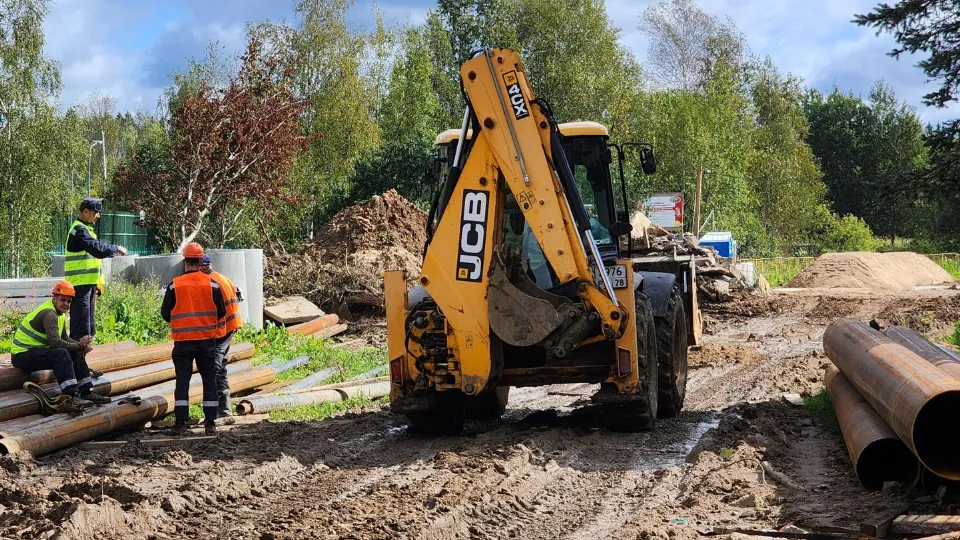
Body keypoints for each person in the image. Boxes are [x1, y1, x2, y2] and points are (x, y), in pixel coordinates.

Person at [10, 281, 112, 406]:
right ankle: (71, 396)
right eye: (63, 300)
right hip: (21, 355)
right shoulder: (49, 314)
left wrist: (80, 346)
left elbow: (64, 338)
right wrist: (79, 345)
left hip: (34, 351)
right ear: (54, 298)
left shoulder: (59, 314)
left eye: (69, 301)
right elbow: (56, 343)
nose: (66, 304)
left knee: (75, 351)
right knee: (61, 354)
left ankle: (86, 392)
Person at [160, 243, 226, 435]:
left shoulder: (174, 285)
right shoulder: (213, 285)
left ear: (184, 260)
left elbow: (165, 314)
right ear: (200, 260)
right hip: (206, 341)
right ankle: (210, 423)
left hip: (183, 342)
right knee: (209, 380)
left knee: (182, 381)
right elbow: (221, 311)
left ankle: (181, 422)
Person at [64, 197, 128, 340]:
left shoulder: (87, 230)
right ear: (85, 212)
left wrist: (98, 283)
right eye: (96, 212)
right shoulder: (78, 231)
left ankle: (81, 360)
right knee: (81, 331)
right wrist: (116, 248)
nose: (98, 216)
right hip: (79, 286)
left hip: (87, 286)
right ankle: (76, 361)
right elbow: (97, 249)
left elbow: (94, 262)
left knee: (89, 329)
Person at [199, 254, 243, 425]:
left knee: (214, 368)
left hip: (222, 329)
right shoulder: (220, 278)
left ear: (202, 266)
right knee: (219, 367)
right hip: (228, 327)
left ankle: (222, 413)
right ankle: (222, 411)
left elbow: (215, 311)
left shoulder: (211, 282)